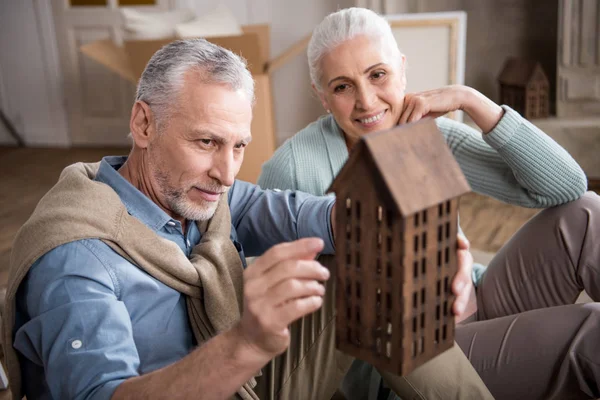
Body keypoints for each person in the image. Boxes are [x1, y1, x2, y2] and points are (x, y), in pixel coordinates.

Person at [3, 39, 494, 400]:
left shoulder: (207, 197)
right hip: (208, 376)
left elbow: (330, 217)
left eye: (238, 145)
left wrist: (430, 235)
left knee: (367, 255)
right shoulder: (76, 259)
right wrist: (246, 343)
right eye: (205, 142)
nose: (225, 172)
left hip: (245, 378)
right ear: (143, 124)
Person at [258, 7, 600, 400]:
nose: (367, 101)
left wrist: (471, 100)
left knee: (585, 214)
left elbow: (565, 186)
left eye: (377, 75)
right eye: (342, 87)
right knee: (590, 333)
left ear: (402, 69)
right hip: (421, 361)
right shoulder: (294, 169)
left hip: (476, 300)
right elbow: (280, 315)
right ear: (322, 97)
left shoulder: (425, 130)